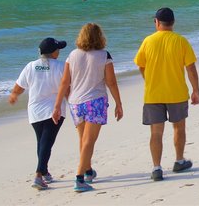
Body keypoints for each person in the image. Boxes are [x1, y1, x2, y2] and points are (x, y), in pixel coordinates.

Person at [52, 23, 123, 193]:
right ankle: (79, 178)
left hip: (75, 102)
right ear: (100, 37)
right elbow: (111, 82)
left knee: (83, 139)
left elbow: (64, 82)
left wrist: (57, 106)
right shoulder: (104, 55)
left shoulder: (72, 55)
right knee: (89, 141)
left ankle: (88, 171)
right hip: (95, 101)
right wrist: (118, 103)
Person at [134, 8, 199, 182]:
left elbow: (140, 65)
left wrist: (148, 79)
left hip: (153, 94)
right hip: (176, 93)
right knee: (179, 128)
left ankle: (157, 168)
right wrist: (196, 90)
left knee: (156, 132)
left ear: (156, 22)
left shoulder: (148, 41)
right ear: (173, 22)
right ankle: (179, 160)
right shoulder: (181, 41)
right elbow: (190, 68)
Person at [9, 37, 69, 190]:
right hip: (55, 111)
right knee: (46, 143)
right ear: (53, 52)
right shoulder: (62, 66)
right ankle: (38, 175)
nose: (59, 52)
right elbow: (67, 88)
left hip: (34, 111)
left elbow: (19, 86)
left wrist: (14, 95)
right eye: (58, 49)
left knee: (42, 142)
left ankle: (45, 172)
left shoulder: (31, 66)